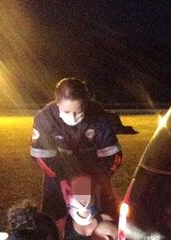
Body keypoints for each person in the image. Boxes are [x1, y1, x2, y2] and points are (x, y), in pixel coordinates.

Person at [30, 77, 122, 220]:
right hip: (59, 172)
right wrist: (60, 179)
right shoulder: (44, 119)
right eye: (66, 112)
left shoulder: (99, 117)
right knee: (55, 215)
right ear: (57, 102)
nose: (72, 117)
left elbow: (113, 155)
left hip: (94, 171)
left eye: (78, 112)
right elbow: (41, 157)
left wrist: (99, 179)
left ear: (86, 103)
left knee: (104, 215)